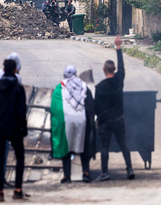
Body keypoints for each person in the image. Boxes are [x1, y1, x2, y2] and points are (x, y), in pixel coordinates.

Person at [94, 35, 134, 181]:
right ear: (114, 69)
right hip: (119, 119)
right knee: (124, 144)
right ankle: (129, 169)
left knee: (105, 147)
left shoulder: (99, 87)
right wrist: (118, 48)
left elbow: (96, 106)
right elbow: (122, 67)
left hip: (104, 121)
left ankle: (105, 172)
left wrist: (98, 117)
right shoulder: (119, 81)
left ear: (104, 69)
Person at [50, 65, 96, 183]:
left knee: (67, 148)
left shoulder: (59, 88)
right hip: (82, 121)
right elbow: (90, 106)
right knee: (83, 147)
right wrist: (89, 123)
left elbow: (55, 108)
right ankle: (86, 173)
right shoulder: (84, 86)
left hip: (66, 123)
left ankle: (67, 176)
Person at [0, 58, 28, 202]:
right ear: (15, 70)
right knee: (20, 157)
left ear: (4, 70)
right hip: (14, 127)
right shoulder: (18, 88)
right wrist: (23, 128)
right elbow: (21, 111)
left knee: (0, 158)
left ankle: (0, 192)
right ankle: (17, 189)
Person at [0, 53, 23, 189]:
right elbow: (18, 103)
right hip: (7, 117)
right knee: (4, 150)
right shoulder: (16, 79)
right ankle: (1, 179)